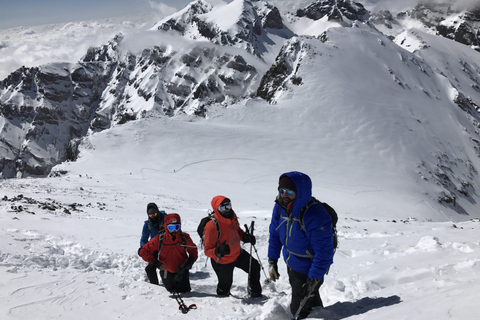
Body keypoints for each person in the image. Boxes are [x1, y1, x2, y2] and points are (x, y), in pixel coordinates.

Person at [267, 172, 334, 319]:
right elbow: (275, 233)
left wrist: (313, 279)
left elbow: (324, 252)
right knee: (310, 301)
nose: (284, 194)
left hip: (309, 268)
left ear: (300, 191)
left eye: (289, 191)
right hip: (292, 262)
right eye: (281, 190)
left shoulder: (315, 214)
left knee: (299, 310)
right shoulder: (279, 207)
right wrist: (273, 260)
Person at [204, 195, 262, 298]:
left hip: (237, 254)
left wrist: (245, 237)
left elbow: (237, 230)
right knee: (225, 287)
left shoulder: (232, 216)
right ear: (216, 209)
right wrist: (218, 251)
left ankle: (255, 293)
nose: (227, 209)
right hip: (222, 261)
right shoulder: (211, 226)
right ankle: (224, 304)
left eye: (228, 205)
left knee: (255, 267)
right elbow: (207, 250)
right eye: (223, 207)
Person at [139, 213, 198, 293]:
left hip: (182, 271)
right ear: (166, 227)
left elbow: (193, 251)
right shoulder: (160, 239)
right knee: (170, 295)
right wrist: (155, 262)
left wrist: (190, 261)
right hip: (166, 271)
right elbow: (143, 251)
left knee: (186, 294)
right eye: (171, 227)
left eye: (177, 227)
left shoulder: (184, 238)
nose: (174, 230)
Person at [138, 203, 166, 285]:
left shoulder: (166, 219)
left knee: (167, 266)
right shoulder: (148, 224)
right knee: (150, 268)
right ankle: (155, 286)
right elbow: (144, 237)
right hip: (154, 247)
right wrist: (143, 248)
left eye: (154, 214)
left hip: (167, 246)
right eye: (150, 215)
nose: (153, 216)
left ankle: (169, 284)